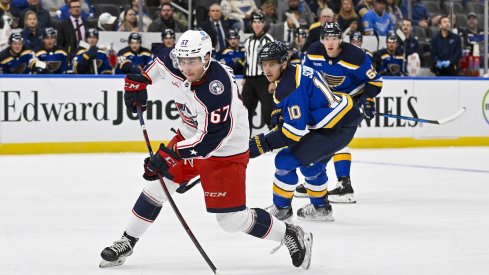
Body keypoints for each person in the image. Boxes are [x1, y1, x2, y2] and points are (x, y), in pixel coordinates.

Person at [98, 30, 313, 270]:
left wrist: (169, 156)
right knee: (156, 187)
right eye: (183, 61)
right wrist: (142, 79)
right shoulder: (176, 60)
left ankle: (289, 233)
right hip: (189, 137)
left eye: (193, 61)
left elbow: (209, 141)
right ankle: (127, 240)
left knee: (231, 220)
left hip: (226, 150)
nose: (186, 67)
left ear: (207, 57)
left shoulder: (217, 88)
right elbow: (159, 66)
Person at [248, 41, 364, 221]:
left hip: (334, 127)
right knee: (311, 164)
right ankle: (321, 209)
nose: (267, 69)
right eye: (264, 64)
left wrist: (261, 144)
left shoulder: (288, 87)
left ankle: (282, 208)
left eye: (272, 64)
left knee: (284, 160)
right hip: (343, 119)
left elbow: (293, 132)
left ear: (283, 63)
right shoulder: (295, 71)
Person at [295, 22, 383, 203]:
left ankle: (344, 184)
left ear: (340, 40)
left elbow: (375, 82)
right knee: (323, 139)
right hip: (330, 101)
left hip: (352, 101)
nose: (330, 43)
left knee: (337, 138)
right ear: (322, 40)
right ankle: (316, 181)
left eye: (334, 39)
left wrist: (367, 100)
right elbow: (305, 78)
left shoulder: (356, 56)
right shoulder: (313, 52)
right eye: (327, 39)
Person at [242, 12, 275, 133]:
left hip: (264, 80)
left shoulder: (269, 40)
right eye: (254, 22)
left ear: (263, 23)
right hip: (250, 80)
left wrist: (273, 81)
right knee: (245, 112)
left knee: (267, 111)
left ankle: (275, 138)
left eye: (259, 22)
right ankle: (246, 141)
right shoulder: (248, 41)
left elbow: (274, 62)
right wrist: (245, 77)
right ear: (251, 24)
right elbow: (247, 61)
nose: (257, 24)